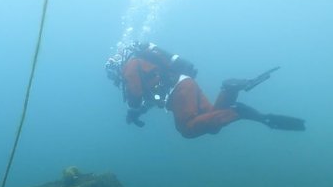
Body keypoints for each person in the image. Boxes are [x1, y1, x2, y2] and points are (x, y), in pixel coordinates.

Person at [104, 42, 305, 137]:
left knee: (187, 130)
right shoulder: (143, 62)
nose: (115, 79)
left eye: (113, 74)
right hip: (185, 83)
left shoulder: (130, 67)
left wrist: (132, 108)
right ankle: (229, 90)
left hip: (178, 92)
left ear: (116, 65)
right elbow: (149, 94)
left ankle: (238, 111)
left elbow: (135, 95)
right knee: (212, 121)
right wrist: (140, 111)